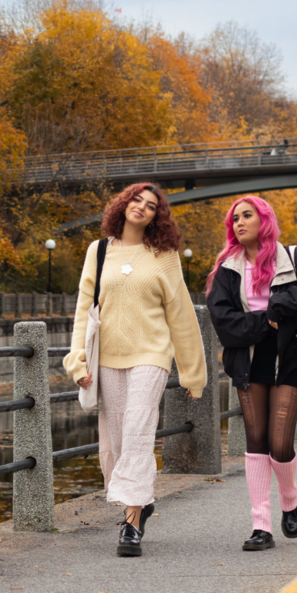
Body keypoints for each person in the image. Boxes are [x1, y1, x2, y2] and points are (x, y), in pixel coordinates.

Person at [64, 182, 206, 557]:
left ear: (157, 217)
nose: (141, 207)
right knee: (115, 441)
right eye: (136, 200)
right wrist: (77, 361)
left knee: (139, 431)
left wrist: (193, 373)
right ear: (123, 205)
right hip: (108, 357)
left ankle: (130, 525)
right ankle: (140, 503)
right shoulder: (98, 252)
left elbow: (181, 316)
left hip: (151, 355)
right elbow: (83, 311)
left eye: (151, 205)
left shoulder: (165, 255)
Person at [205, 196, 297, 551]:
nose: (239, 223)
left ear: (264, 219)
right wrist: (267, 322)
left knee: (279, 442)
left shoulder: (292, 256)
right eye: (234, 219)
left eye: (247, 216)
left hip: (287, 358)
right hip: (248, 360)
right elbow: (225, 322)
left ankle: (289, 498)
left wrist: (279, 306)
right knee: (256, 442)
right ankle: (261, 526)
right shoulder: (227, 268)